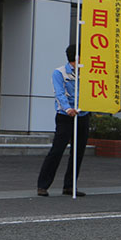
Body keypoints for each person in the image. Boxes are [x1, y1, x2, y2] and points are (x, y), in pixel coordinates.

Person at [36, 44, 90, 197]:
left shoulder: (87, 72)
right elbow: (59, 94)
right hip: (65, 116)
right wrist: (68, 109)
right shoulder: (59, 73)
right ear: (77, 57)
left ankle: (70, 186)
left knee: (78, 152)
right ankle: (43, 185)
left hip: (83, 115)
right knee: (57, 150)